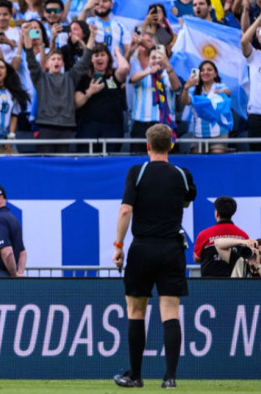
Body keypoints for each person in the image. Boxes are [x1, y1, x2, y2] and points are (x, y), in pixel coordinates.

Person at [112, 123, 197, 389]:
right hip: (172, 248)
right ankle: (170, 377)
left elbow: (126, 210)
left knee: (136, 312)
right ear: (171, 145)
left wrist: (118, 245)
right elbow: (185, 200)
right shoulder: (182, 174)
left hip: (143, 248)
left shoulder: (137, 173)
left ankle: (135, 376)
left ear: (148, 146)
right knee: (170, 313)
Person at [24, 22, 94, 153]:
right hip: (46, 125)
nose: (56, 61)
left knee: (62, 164)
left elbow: (85, 60)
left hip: (65, 126)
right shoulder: (40, 78)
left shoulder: (70, 77)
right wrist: (27, 37)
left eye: (59, 59)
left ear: (62, 63)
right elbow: (31, 61)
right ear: (47, 63)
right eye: (53, 59)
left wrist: (93, 35)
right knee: (45, 165)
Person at [74, 44, 130, 152]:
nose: (99, 58)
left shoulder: (113, 76)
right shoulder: (84, 78)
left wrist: (117, 52)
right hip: (88, 127)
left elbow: (124, 68)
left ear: (108, 58)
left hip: (112, 127)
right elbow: (77, 103)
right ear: (91, 59)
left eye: (102, 55)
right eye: (96, 55)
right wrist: (89, 92)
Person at [128, 45, 180, 153]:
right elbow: (133, 79)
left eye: (160, 58)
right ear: (148, 60)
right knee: (138, 160)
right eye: (153, 58)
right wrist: (149, 72)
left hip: (164, 125)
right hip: (142, 125)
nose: (156, 61)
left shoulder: (169, 75)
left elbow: (177, 87)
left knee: (166, 161)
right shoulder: (142, 74)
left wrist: (168, 67)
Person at [180, 60, 231, 153]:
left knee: (216, 162)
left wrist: (221, 92)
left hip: (219, 133)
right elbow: (185, 101)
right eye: (202, 70)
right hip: (199, 134)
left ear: (215, 74)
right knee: (198, 163)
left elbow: (227, 92)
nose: (205, 72)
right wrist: (186, 87)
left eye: (209, 70)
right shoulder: (194, 90)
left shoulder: (219, 86)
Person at [194, 196, 249, 277]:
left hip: (209, 285)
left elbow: (197, 258)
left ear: (217, 213)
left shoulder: (204, 234)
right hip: (235, 285)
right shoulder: (243, 236)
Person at [241, 6, 261, 151]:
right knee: (258, 158)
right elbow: (244, 42)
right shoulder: (254, 57)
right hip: (256, 115)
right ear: (259, 39)